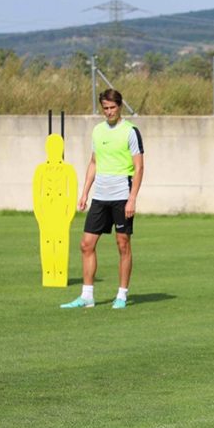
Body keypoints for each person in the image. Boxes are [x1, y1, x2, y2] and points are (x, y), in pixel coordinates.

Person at [61, 89, 144, 310]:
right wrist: (85, 192)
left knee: (122, 244)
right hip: (100, 197)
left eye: (112, 107)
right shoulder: (97, 131)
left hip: (121, 196)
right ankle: (87, 296)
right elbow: (94, 162)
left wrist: (132, 198)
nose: (109, 112)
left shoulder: (130, 132)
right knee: (86, 244)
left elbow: (139, 167)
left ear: (120, 106)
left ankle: (122, 295)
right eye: (105, 108)